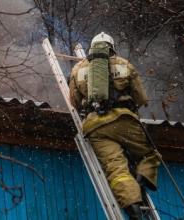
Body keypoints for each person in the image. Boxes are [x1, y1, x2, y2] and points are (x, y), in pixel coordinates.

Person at [69, 32, 161, 220]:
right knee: (149, 154)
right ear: (112, 47)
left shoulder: (78, 69)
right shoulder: (124, 64)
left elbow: (74, 101)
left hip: (96, 127)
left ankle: (133, 208)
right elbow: (141, 98)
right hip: (124, 121)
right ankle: (142, 178)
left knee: (116, 169)